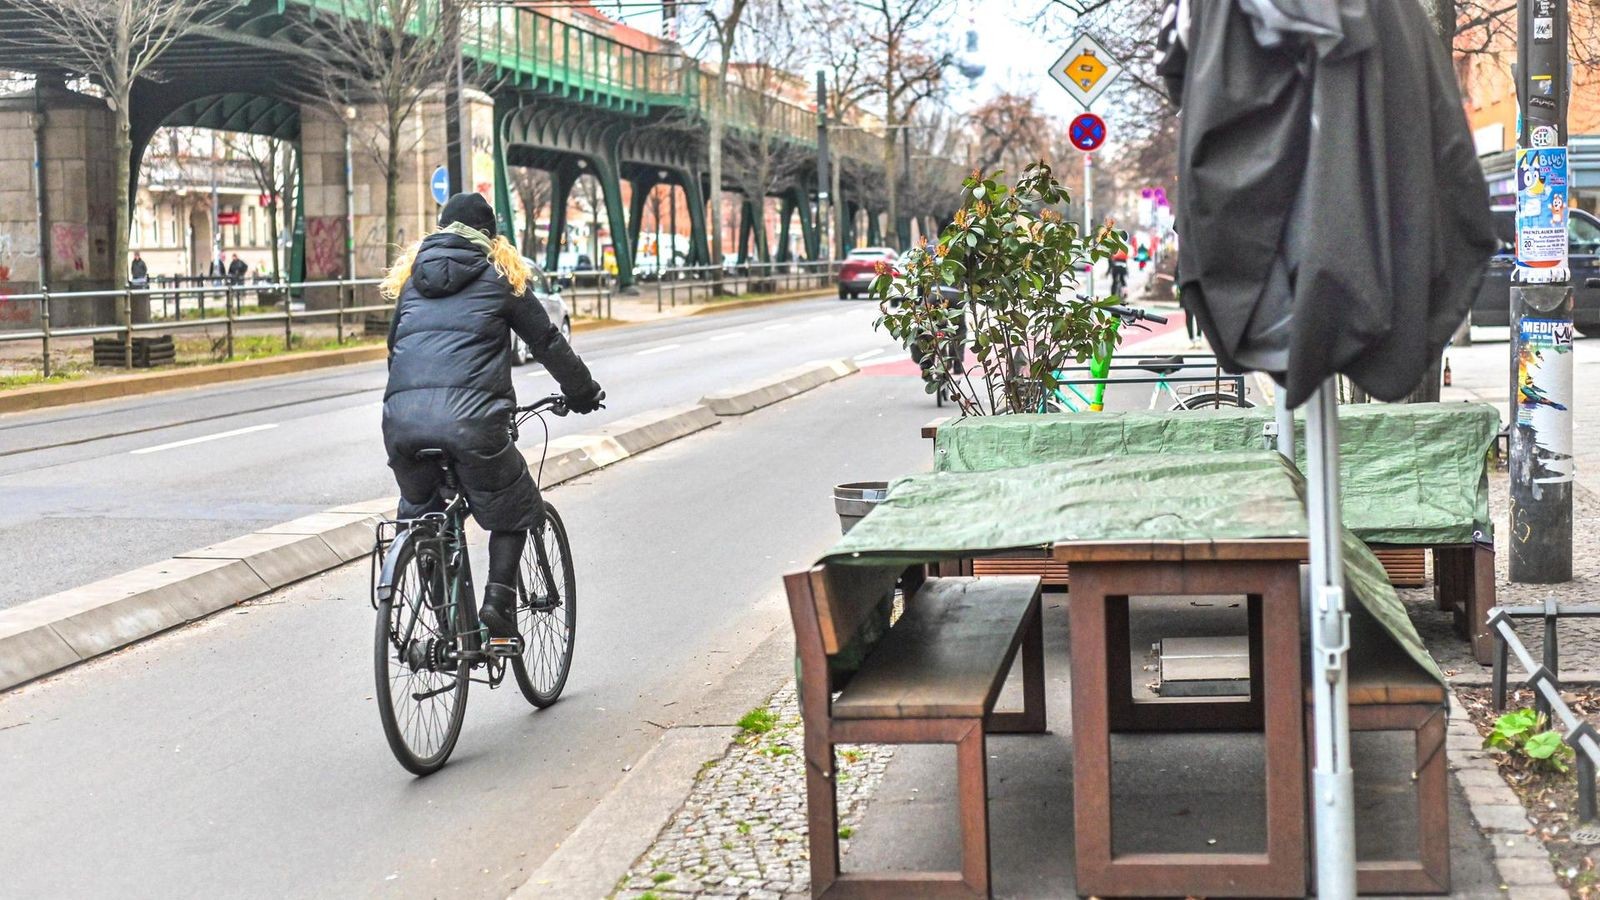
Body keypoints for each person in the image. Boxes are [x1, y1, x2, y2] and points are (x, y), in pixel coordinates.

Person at [381, 193, 604, 639]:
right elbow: (547, 342)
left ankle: (444, 617)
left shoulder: (410, 285)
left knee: (421, 511)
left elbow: (395, 353)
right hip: (473, 424)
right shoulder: (500, 278)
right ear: (490, 238)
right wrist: (582, 392)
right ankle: (498, 611)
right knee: (515, 505)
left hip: (403, 425)